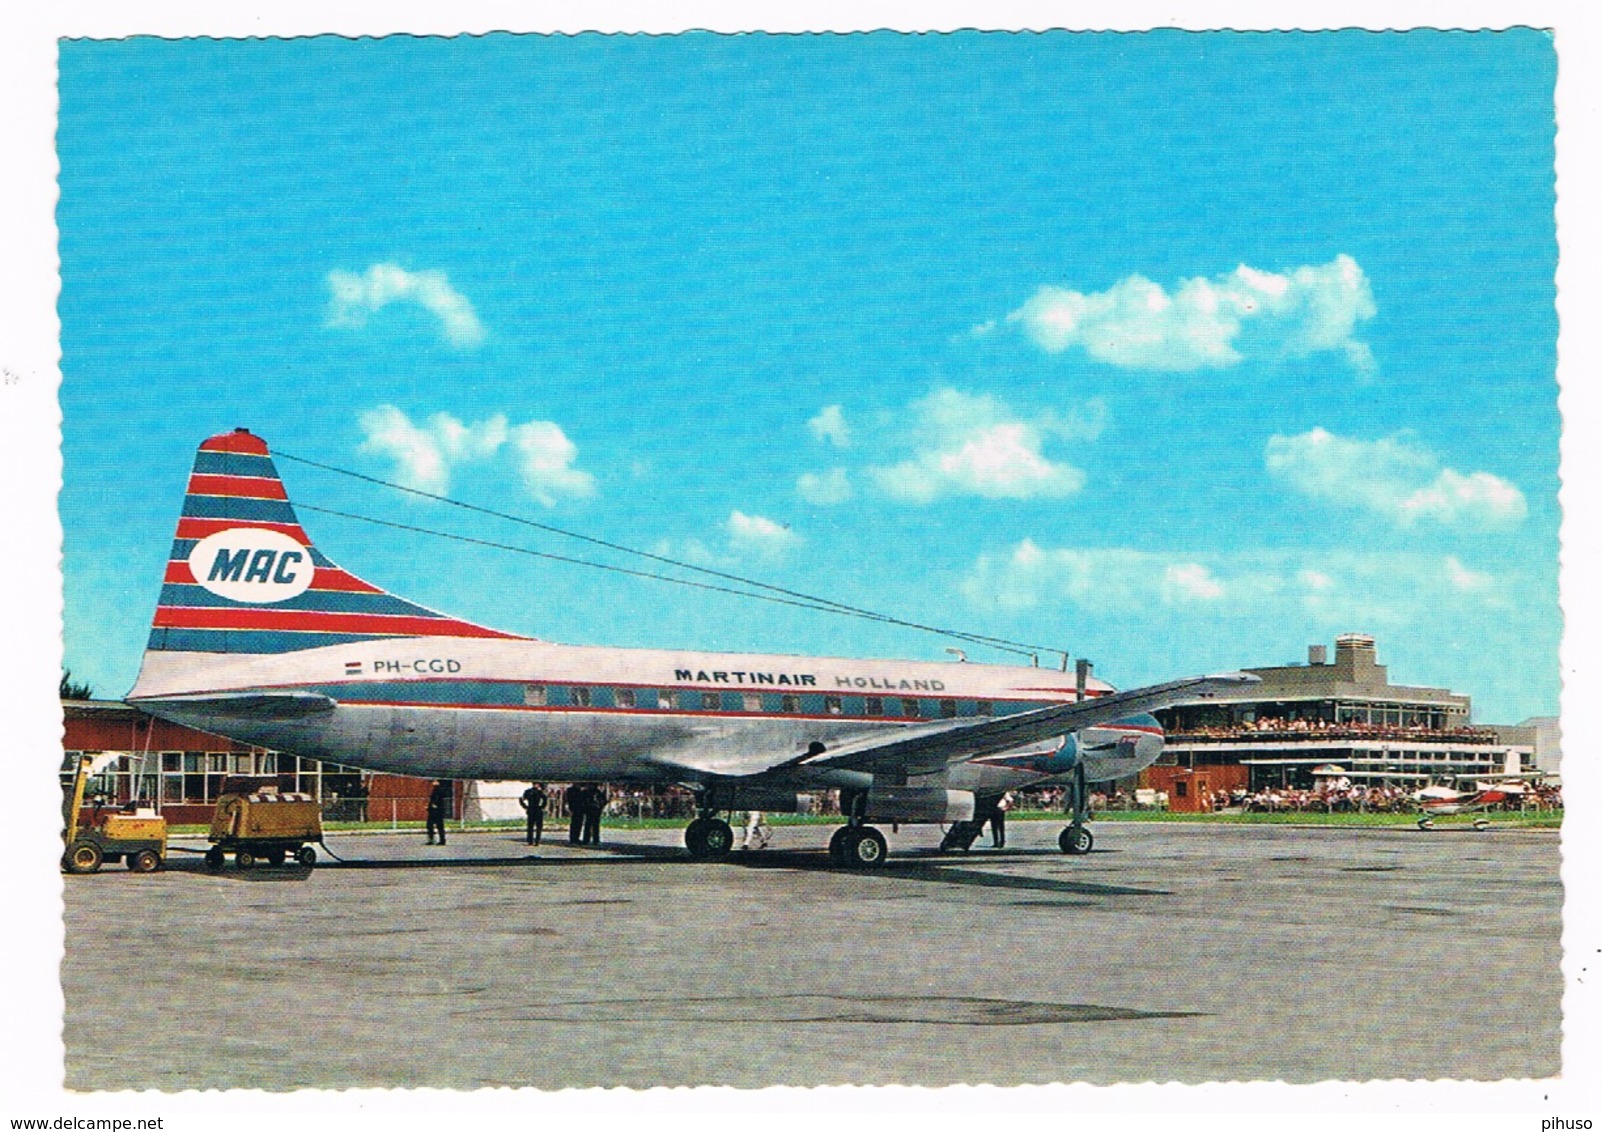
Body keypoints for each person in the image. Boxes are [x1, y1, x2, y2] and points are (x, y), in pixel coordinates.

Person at [426, 779, 452, 845]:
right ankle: (431, 839)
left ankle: (442, 840)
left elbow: (438, 798)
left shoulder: (440, 789)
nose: (433, 783)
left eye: (434, 781)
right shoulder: (435, 790)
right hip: (432, 810)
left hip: (438, 811)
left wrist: (435, 804)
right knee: (430, 825)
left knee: (439, 826)